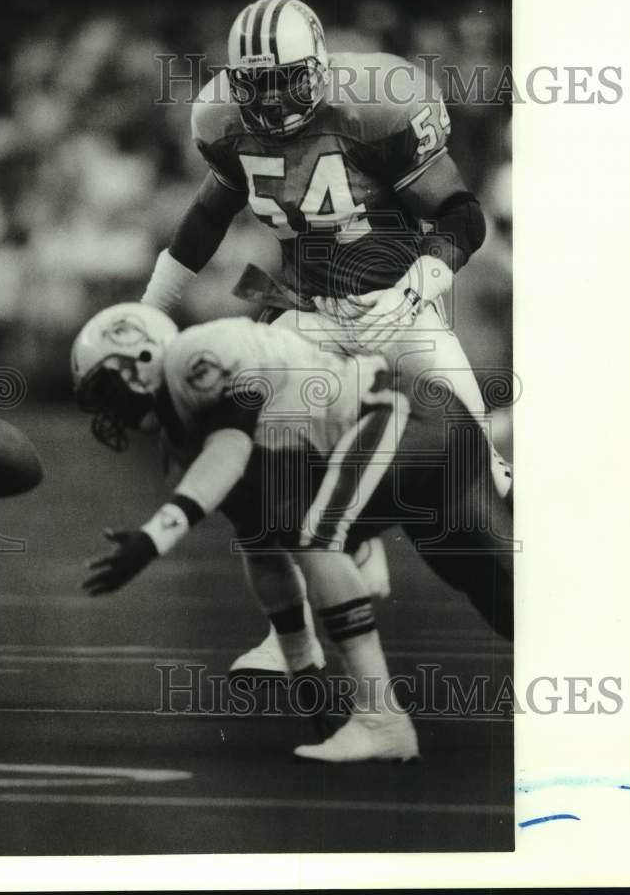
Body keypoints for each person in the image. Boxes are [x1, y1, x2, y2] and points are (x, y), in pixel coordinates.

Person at [140, 0, 511, 673]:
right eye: (260, 82)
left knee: (477, 477)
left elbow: (461, 213)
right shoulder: (222, 121)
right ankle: (297, 634)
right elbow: (203, 220)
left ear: (318, 64)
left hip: (397, 312)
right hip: (308, 316)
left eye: (288, 77)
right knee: (268, 465)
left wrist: (427, 274)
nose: (275, 97)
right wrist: (150, 311)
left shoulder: (377, 102)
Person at [71, 303, 513, 762]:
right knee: (503, 593)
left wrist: (153, 538)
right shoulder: (181, 444)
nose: (107, 410)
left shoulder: (192, 355)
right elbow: (262, 548)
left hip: (410, 418)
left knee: (313, 535)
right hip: (425, 436)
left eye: (104, 388)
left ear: (141, 359)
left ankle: (380, 720)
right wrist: (302, 666)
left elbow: (232, 442)